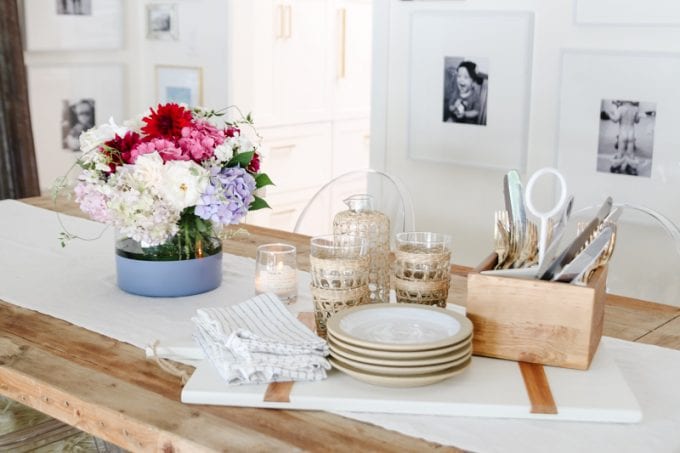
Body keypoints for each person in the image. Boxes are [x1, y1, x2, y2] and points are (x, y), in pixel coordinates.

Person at [608, 100, 640, 175]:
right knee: (631, 153)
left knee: (620, 152)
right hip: (631, 134)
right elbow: (637, 121)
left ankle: (616, 168)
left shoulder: (620, 109)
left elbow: (615, 119)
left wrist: (610, 114)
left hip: (622, 134)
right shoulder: (635, 109)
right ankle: (632, 169)